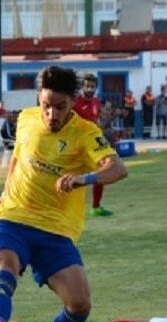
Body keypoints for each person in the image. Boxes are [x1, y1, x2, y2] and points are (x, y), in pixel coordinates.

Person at [0, 65, 128, 322]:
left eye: (60, 107)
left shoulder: (85, 133)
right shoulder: (26, 119)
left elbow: (118, 168)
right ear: (38, 98)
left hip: (56, 229)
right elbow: (18, 160)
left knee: (80, 304)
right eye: (46, 105)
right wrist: (3, 196)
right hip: (14, 216)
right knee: (5, 267)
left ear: (72, 102)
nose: (51, 114)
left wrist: (83, 178)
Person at [73, 73, 114, 217]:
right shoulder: (74, 102)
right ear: (82, 87)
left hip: (92, 145)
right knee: (69, 176)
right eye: (87, 86)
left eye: (92, 86)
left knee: (101, 172)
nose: (89, 89)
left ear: (96, 88)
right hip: (75, 146)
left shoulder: (96, 102)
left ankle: (96, 207)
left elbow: (95, 122)